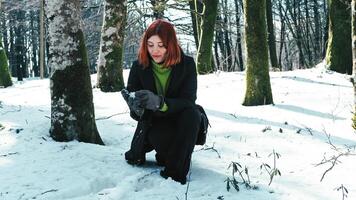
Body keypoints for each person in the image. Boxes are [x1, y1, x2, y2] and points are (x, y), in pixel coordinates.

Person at [122, 19, 201, 184]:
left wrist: (160, 102)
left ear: (170, 44)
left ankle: (174, 174)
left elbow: (188, 101)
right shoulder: (138, 66)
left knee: (194, 113)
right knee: (163, 146)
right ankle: (168, 153)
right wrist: (137, 108)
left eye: (161, 45)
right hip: (153, 122)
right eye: (150, 45)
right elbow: (136, 110)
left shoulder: (187, 64)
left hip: (180, 120)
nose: (155, 50)